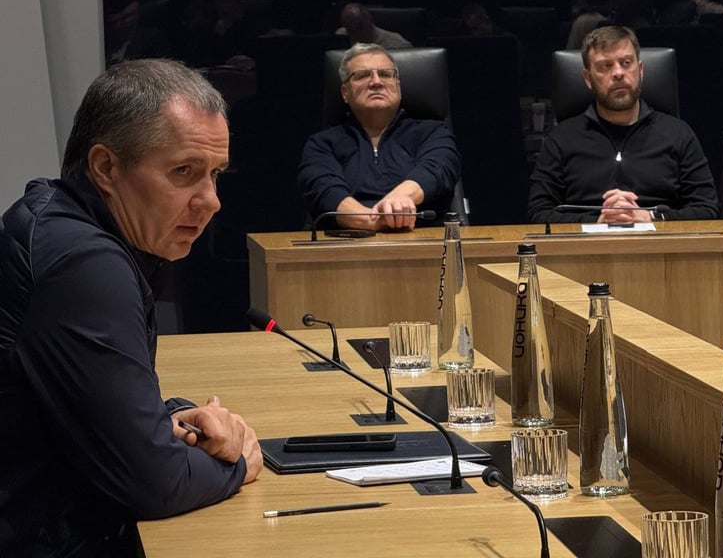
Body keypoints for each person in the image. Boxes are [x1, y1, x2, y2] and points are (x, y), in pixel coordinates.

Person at [0, 59, 262, 556]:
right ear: (105, 167)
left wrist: (180, 418)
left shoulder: (62, 220)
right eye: (184, 172)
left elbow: (86, 404)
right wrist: (238, 463)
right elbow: (152, 481)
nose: (211, 201)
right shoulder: (84, 264)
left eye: (216, 175)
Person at [528, 24, 720, 224]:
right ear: (588, 79)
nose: (618, 73)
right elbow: (539, 213)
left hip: (661, 250)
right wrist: (597, 222)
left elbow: (708, 209)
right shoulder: (561, 139)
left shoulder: (678, 133)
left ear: (641, 70)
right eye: (606, 66)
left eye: (626, 62)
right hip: (588, 250)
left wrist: (650, 216)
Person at [298, 43, 461, 231]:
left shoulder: (434, 133)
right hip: (345, 245)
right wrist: (372, 221)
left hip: (426, 242)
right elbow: (325, 192)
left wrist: (397, 201)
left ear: (397, 86)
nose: (376, 82)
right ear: (345, 92)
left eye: (385, 74)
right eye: (362, 75)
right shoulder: (321, 144)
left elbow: (437, 171)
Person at [336, 2, 413, 49]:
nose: (354, 32)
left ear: (370, 22)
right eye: (349, 28)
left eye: (358, 26)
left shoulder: (397, 45)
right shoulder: (342, 36)